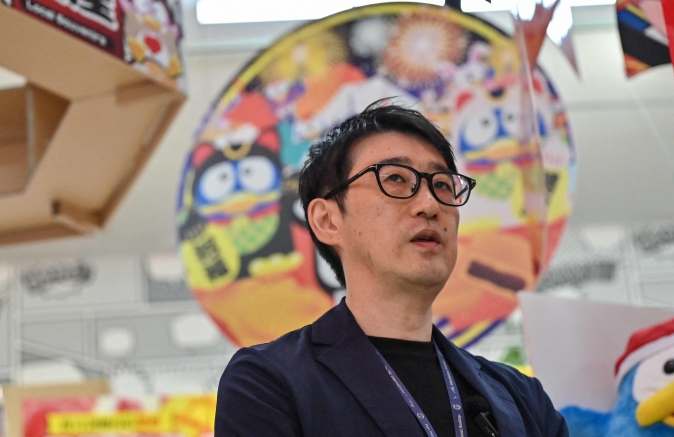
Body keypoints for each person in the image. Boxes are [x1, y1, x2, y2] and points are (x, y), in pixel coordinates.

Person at [215, 102, 568, 437]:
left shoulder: (521, 397)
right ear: (327, 220)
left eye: (442, 185)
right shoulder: (270, 382)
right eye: (396, 179)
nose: (429, 204)